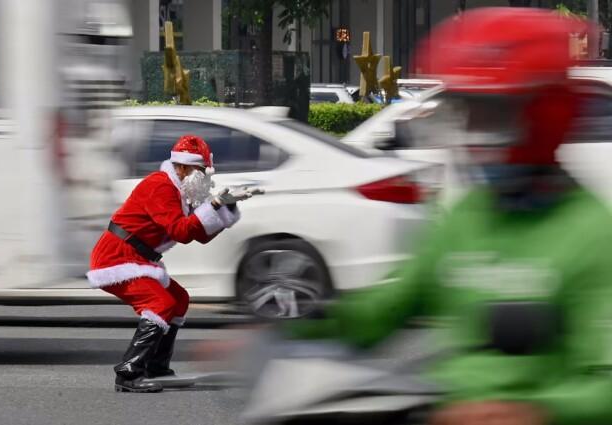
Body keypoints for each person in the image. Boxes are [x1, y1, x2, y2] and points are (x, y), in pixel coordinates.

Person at [288, 8, 612, 425]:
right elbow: (390, 305)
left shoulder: (592, 232)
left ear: (543, 114)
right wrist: (296, 327)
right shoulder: (469, 216)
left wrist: (533, 412)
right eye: (466, 112)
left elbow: (604, 384)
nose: (474, 131)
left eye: (490, 114)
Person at [87, 134, 259, 393]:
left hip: (137, 257)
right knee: (161, 303)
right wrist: (213, 204)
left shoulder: (180, 191)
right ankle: (129, 372)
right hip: (117, 257)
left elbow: (198, 235)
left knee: (178, 299)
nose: (205, 176)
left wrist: (226, 208)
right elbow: (180, 231)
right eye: (201, 170)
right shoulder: (161, 186)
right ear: (183, 166)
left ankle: (157, 365)